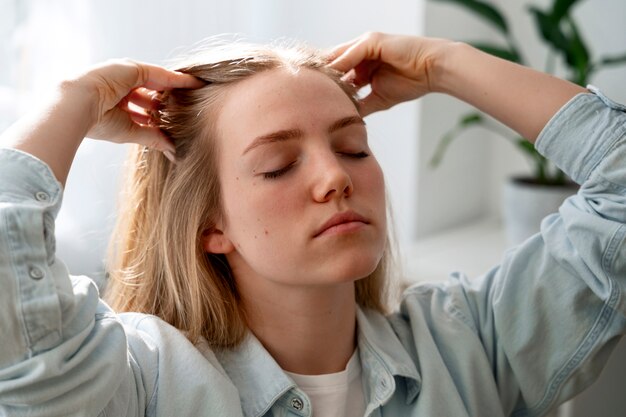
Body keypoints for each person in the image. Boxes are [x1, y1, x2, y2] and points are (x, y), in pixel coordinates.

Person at [0, 31, 624, 417]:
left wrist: (445, 65)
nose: (336, 178)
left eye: (353, 147)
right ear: (209, 226)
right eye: (278, 165)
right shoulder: (143, 385)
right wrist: (71, 99)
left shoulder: (468, 350)